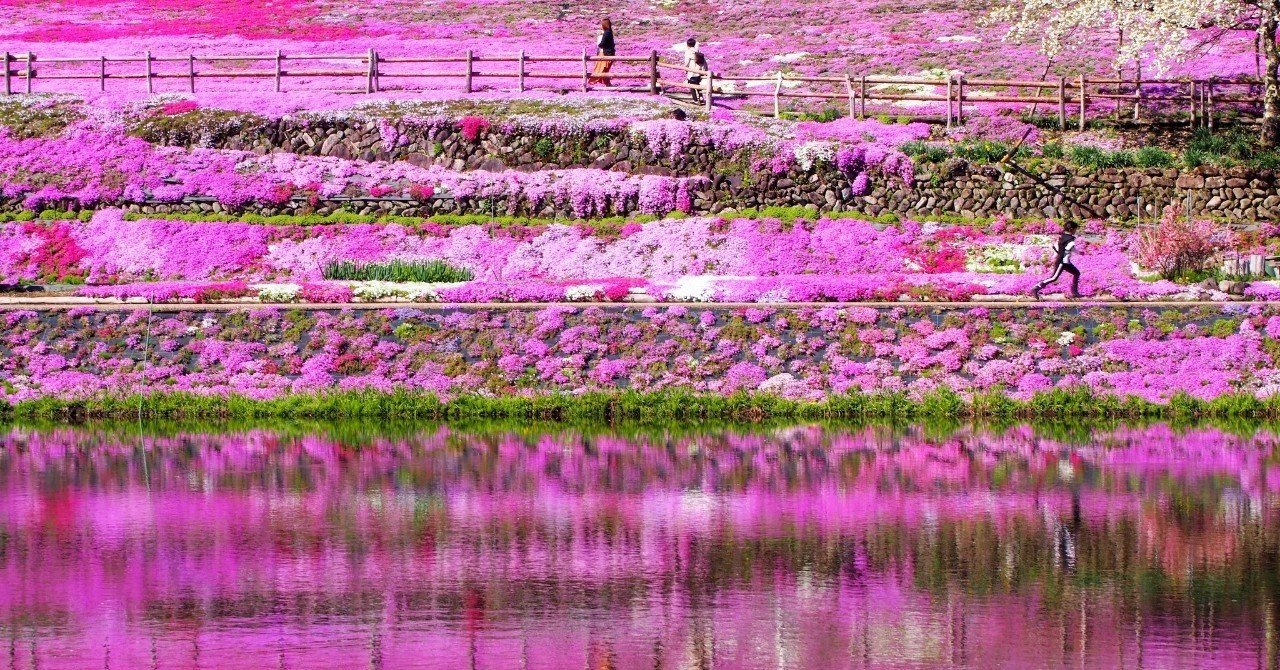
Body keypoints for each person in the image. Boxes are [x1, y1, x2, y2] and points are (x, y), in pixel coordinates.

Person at [1032, 220, 1081, 299]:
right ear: (1071, 229)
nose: (1076, 231)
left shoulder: (1062, 236)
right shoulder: (1070, 239)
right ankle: (1036, 288)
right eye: (1075, 229)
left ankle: (1074, 292)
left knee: (1076, 273)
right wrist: (1068, 253)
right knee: (1054, 278)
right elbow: (1069, 248)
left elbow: (1055, 247)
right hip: (1062, 262)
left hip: (1065, 262)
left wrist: (1078, 252)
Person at [588, 18, 615, 86]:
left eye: (601, 24)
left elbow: (602, 43)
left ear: (604, 25)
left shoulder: (607, 33)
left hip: (606, 54)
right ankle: (607, 84)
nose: (601, 26)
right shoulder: (609, 32)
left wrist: (599, 44)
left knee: (603, 69)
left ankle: (607, 84)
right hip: (608, 53)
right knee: (604, 69)